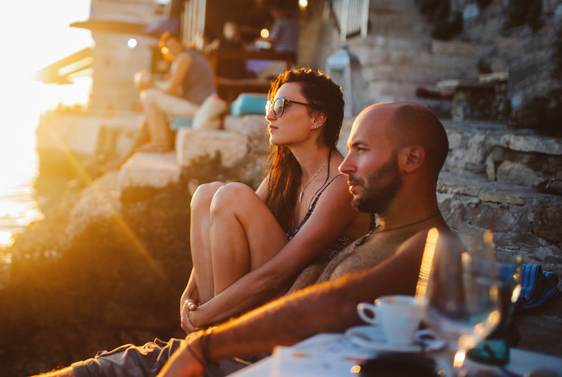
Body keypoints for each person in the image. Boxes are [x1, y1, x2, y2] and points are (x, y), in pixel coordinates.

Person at [35, 101, 454, 377]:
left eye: (360, 150)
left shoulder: (430, 247)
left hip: (240, 362)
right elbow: (308, 294)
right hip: (236, 355)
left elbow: (330, 305)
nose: (345, 166)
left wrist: (206, 346)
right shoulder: (379, 236)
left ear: (412, 159)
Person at [180, 68, 372, 334]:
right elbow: (219, 225)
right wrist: (190, 293)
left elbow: (275, 277)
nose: (269, 115)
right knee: (206, 194)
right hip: (262, 290)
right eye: (271, 105)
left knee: (232, 195)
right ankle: (213, 330)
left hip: (297, 301)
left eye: (282, 106)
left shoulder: (341, 185)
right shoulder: (285, 173)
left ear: (317, 118)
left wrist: (203, 315)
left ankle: (215, 331)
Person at [134, 32, 217, 153]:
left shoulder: (185, 57)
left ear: (180, 43)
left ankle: (160, 142)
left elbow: (171, 91)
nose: (172, 48)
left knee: (149, 96)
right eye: (168, 47)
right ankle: (160, 141)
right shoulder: (191, 55)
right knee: (152, 98)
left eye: (174, 44)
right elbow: (177, 92)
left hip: (200, 108)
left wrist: (150, 85)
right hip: (203, 107)